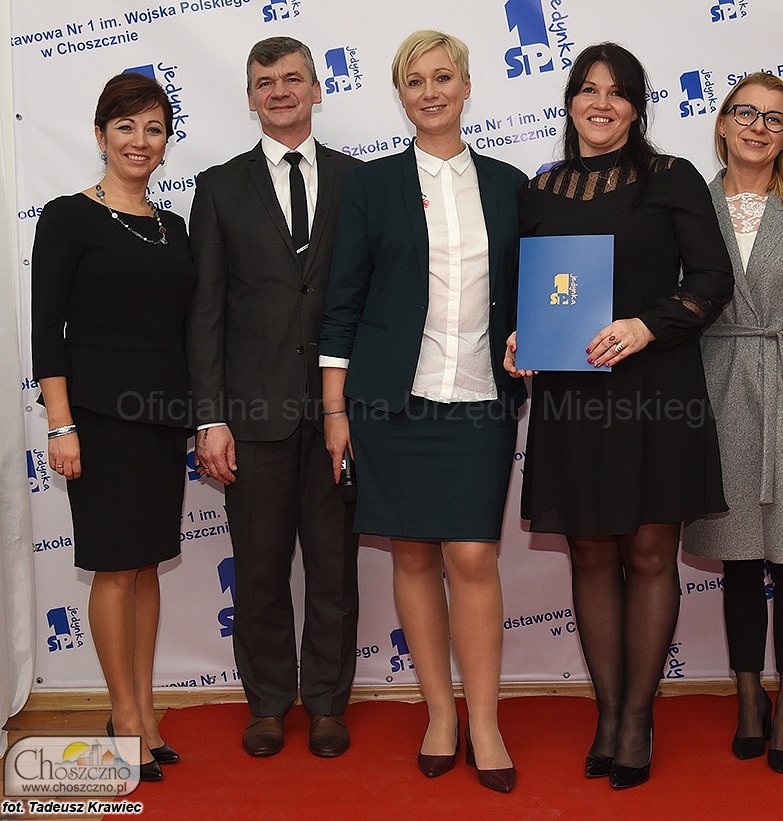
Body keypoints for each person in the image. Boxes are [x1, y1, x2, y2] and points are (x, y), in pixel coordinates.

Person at [505, 42, 734, 789]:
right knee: (591, 553)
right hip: (574, 396)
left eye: (618, 92)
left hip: (654, 386)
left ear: (637, 107)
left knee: (650, 554)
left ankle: (638, 718)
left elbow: (712, 279)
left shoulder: (671, 177)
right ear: (570, 101)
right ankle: (607, 713)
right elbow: (531, 288)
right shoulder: (541, 188)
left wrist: (646, 325)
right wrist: (520, 335)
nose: (601, 104)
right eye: (588, 90)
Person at [319, 30, 526, 793]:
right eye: (415, 80)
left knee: (471, 555)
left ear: (468, 86)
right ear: (401, 94)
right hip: (390, 401)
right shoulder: (371, 186)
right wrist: (335, 407)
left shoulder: (510, 185)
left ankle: (486, 721)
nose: (431, 91)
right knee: (410, 554)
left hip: (479, 398)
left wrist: (531, 337)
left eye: (443, 77)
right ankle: (440, 712)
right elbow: (342, 303)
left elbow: (532, 291)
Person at [186, 37, 361, 758]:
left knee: (334, 566)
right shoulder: (219, 187)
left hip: (339, 414)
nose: (280, 90)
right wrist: (210, 416)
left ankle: (325, 703)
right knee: (258, 569)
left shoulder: (361, 181)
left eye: (293, 78)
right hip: (251, 415)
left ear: (317, 90)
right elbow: (205, 311)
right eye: (266, 81)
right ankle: (267, 703)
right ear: (252, 97)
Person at [31, 72, 194, 781]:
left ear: (166, 142)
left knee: (147, 563)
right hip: (98, 421)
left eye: (153, 128)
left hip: (162, 418)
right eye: (125, 127)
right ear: (101, 135)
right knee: (115, 568)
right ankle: (123, 714)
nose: (139, 140)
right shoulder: (68, 217)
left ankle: (146, 710)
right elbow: (47, 330)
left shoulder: (174, 227)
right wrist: (60, 425)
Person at [681, 72, 783, 774]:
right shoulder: (693, 205)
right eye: (745, 112)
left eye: (775, 118)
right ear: (721, 123)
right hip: (718, 388)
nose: (757, 127)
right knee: (739, 553)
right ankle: (749, 695)